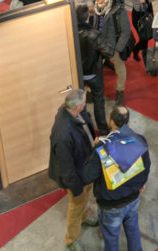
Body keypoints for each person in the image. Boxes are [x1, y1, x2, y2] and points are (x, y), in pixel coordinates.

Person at [81, 106, 150, 251]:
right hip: (133, 198)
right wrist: (141, 184)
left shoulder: (102, 149)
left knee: (111, 238)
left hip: (111, 204)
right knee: (133, 231)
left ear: (111, 122)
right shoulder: (139, 140)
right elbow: (146, 166)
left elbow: (87, 176)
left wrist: (93, 150)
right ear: (128, 121)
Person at [47, 90, 99, 250]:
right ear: (78, 107)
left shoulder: (73, 114)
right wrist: (76, 190)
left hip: (85, 167)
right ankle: (71, 240)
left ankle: (84, 217)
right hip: (77, 177)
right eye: (84, 102)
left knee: (85, 199)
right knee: (76, 205)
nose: (86, 104)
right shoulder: (63, 134)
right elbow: (66, 168)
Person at [93, 0, 133, 106]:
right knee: (95, 67)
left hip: (113, 46)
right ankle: (93, 91)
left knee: (120, 69)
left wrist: (117, 48)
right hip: (100, 43)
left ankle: (120, 91)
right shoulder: (97, 7)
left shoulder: (118, 9)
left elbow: (126, 31)